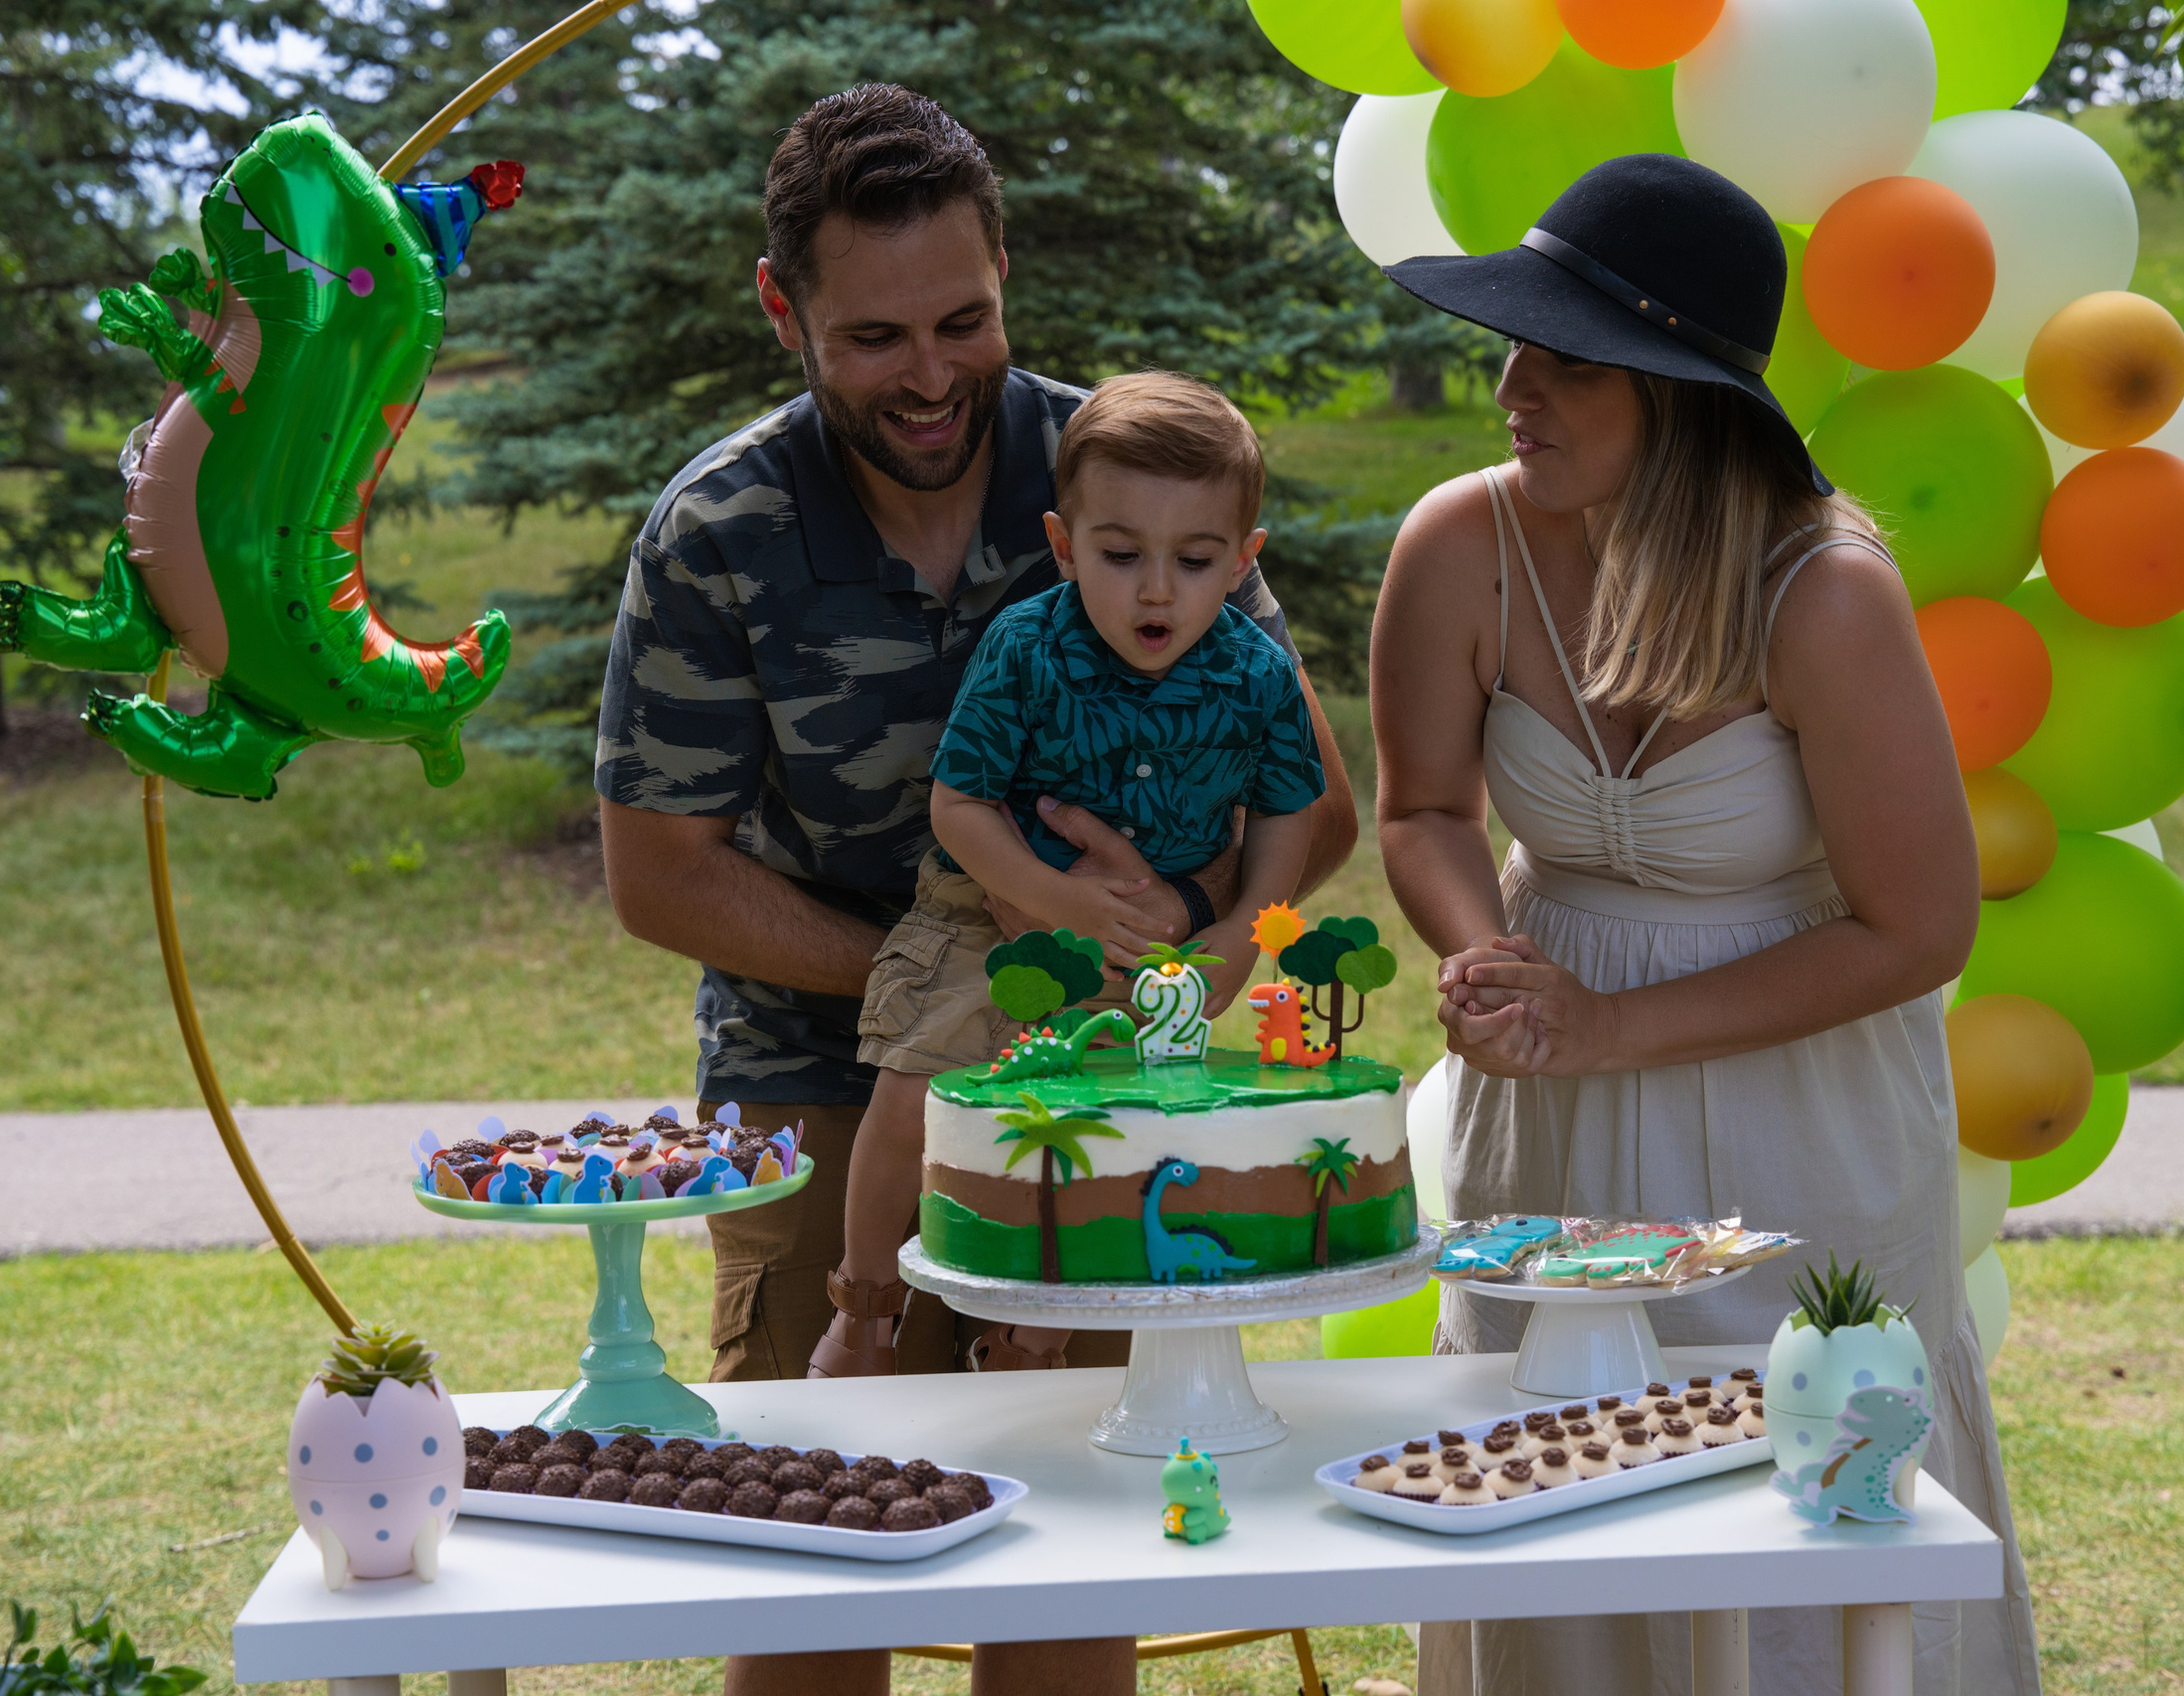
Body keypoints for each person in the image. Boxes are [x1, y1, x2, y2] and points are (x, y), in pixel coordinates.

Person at [595, 84, 1355, 1696]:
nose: (932, 374)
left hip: (1086, 1061)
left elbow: (1319, 800)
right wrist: (956, 974)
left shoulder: (1140, 473)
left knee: (1071, 1538)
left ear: (1007, 271)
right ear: (780, 305)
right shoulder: (718, 530)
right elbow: (660, 875)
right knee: (813, 1539)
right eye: (876, 337)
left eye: (966, 318)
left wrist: (1182, 944)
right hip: (811, 1079)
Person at [1368, 155, 2042, 1694]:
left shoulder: (1822, 589)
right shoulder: (1457, 544)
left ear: (1678, 393)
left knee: (1789, 1480)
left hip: (1791, 1108)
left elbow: (1919, 924)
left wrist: (1619, 1026)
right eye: (1515, 343)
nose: (1513, 387)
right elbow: (1421, 813)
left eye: (1567, 359)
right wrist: (1487, 953)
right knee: (1543, 1447)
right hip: (1540, 1109)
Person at [821, 371, 1327, 1376]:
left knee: (1102, 1125)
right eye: (1118, 553)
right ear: (1062, 546)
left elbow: (1290, 810)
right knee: (915, 1090)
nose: (1154, 589)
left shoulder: (1258, 676)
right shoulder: (1025, 648)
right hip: (988, 907)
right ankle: (865, 1307)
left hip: (1152, 945)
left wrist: (1238, 937)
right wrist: (1055, 901)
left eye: (1193, 560)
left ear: (1242, 563)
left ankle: (1028, 1342)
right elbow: (958, 804)